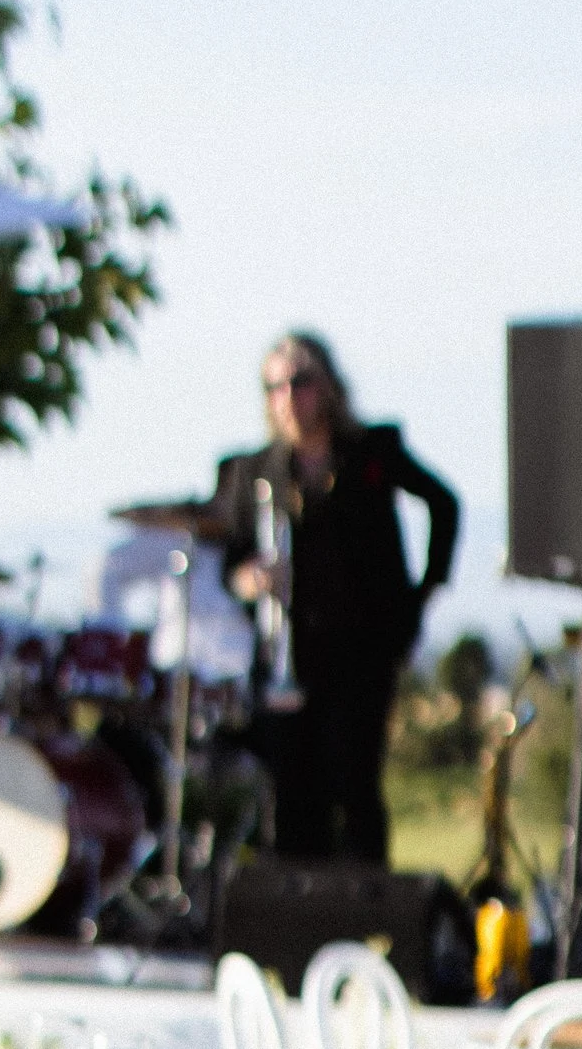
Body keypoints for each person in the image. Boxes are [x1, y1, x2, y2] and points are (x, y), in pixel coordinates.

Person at [192, 331, 460, 867]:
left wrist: (423, 594)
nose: (289, 398)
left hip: (362, 648)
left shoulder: (370, 453)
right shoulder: (252, 471)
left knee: (356, 785)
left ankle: (367, 919)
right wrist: (248, 579)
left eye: (300, 382)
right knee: (291, 795)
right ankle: (300, 922)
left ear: (329, 387)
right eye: (275, 388)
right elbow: (226, 557)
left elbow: (442, 504)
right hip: (290, 656)